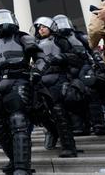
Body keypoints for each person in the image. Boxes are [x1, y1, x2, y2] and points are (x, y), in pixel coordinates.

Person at [0, 9, 40, 175]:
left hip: (19, 78)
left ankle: (22, 167)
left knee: (18, 120)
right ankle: (14, 160)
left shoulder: (22, 37)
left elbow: (40, 57)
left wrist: (37, 71)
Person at [32, 17, 78, 158]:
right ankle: (53, 132)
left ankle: (68, 146)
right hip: (41, 80)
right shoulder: (35, 44)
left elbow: (75, 56)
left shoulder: (60, 40)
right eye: (39, 27)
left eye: (44, 26)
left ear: (51, 27)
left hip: (58, 78)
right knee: (39, 112)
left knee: (59, 112)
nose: (41, 29)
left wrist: (62, 57)